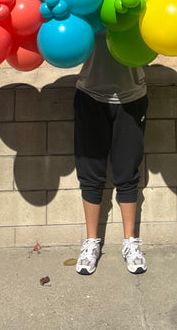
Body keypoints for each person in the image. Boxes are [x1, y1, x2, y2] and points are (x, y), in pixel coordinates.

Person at [73, 31, 148, 275]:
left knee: (127, 172)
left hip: (131, 97)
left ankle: (130, 242)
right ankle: (91, 242)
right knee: (90, 173)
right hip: (90, 95)